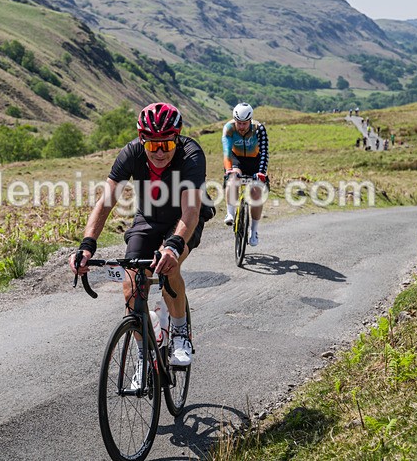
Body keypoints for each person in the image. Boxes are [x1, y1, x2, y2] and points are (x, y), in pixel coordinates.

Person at [70, 102, 211, 368]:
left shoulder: (191, 154)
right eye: (152, 145)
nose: (159, 152)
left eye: (166, 145)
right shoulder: (131, 154)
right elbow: (106, 202)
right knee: (132, 284)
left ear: (177, 139)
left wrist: (174, 246)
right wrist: (87, 245)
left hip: (184, 220)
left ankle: (180, 333)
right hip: (148, 218)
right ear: (141, 139)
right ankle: (143, 356)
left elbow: (191, 209)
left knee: (169, 267)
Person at [221, 102, 269, 246]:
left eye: (244, 123)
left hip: (255, 162)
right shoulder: (229, 128)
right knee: (233, 178)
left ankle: (253, 231)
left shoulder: (259, 128)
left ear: (250, 120)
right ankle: (230, 213)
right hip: (237, 160)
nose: (241, 127)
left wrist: (261, 172)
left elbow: (265, 153)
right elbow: (227, 152)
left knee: (256, 193)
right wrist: (229, 169)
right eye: (239, 123)